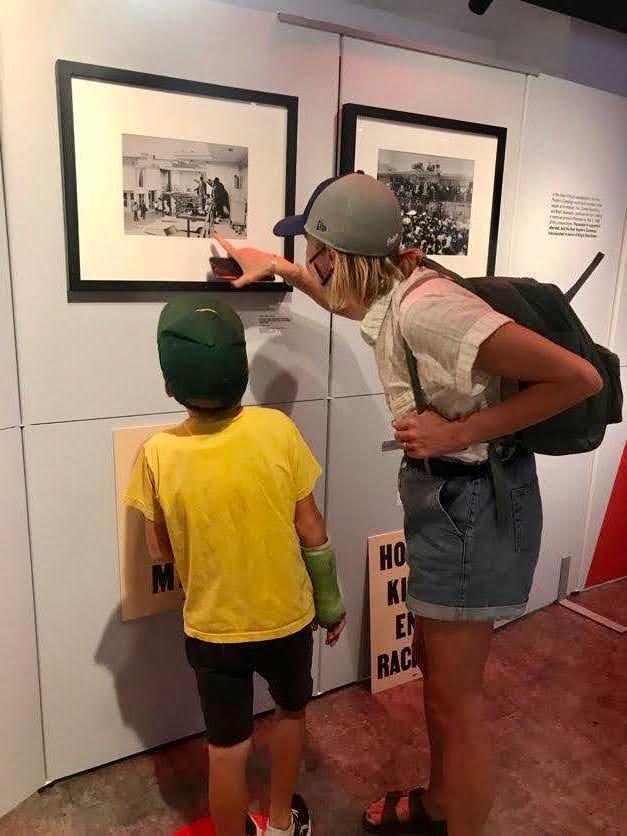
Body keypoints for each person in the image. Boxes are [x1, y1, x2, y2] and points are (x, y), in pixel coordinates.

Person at [215, 172, 603, 836]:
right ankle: (440, 803)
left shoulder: (429, 309)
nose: (312, 263)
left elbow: (577, 377)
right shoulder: (392, 288)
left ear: (339, 253)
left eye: (309, 249)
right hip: (446, 499)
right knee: (436, 678)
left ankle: (457, 820)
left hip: (471, 505)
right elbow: (346, 303)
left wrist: (455, 431)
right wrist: (278, 267)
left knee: (458, 702)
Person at [124, 296, 346, 836]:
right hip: (287, 620)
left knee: (227, 747)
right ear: (243, 369)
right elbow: (312, 529)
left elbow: (161, 552)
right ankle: (278, 821)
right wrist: (330, 601)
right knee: (291, 714)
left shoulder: (156, 454)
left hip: (213, 629)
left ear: (169, 384)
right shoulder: (278, 431)